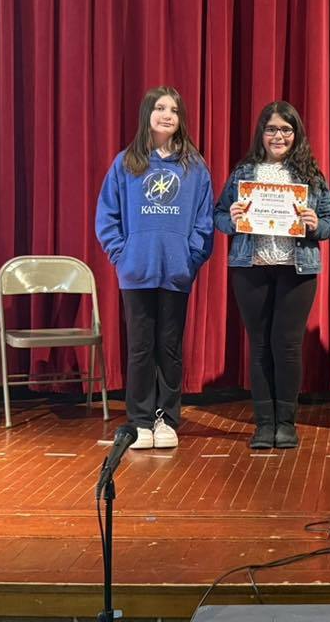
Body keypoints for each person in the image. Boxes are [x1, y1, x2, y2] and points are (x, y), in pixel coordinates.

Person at [214, 101, 330, 450]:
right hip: (251, 267)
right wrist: (234, 217)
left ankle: (286, 423)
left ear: (296, 134)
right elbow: (219, 215)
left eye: (285, 129)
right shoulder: (244, 172)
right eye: (271, 129)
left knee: (286, 347)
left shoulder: (310, 175)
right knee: (259, 347)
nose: (278, 135)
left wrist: (316, 225)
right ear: (262, 134)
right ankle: (263, 424)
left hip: (296, 270)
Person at [95, 86, 214, 450]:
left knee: (170, 347)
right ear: (147, 114)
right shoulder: (126, 163)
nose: (167, 115)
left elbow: (204, 221)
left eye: (174, 110)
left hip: (176, 272)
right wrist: (122, 254)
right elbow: (107, 216)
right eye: (160, 108)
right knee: (140, 347)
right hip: (136, 271)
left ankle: (166, 418)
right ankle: (141, 420)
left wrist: (191, 258)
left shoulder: (194, 167)